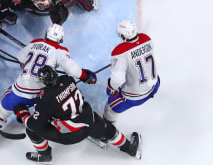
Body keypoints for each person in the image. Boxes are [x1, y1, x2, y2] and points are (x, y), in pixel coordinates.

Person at [0, 23, 97, 150]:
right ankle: (77, 126)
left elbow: (20, 57)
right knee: (56, 106)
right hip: (41, 96)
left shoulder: (35, 42)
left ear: (46, 33)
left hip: (20, 91)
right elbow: (73, 70)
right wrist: (85, 76)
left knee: (4, 108)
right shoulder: (61, 51)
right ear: (60, 39)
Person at [12, 65, 142, 163]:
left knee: (32, 130)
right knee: (108, 129)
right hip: (89, 120)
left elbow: (35, 125)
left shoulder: (44, 98)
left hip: (71, 135)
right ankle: (130, 148)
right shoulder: (67, 79)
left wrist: (22, 114)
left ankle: (44, 154)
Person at [104, 20, 161, 123]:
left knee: (110, 107)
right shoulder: (146, 38)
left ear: (123, 36)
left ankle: (107, 129)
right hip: (154, 86)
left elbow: (117, 80)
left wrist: (111, 87)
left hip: (136, 96)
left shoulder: (120, 52)